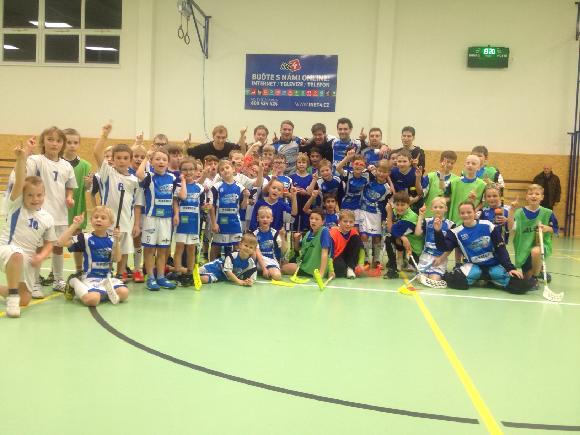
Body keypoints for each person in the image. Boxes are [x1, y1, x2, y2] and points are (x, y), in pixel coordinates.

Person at [0, 144, 56, 318]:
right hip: (7, 249)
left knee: (25, 299)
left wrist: (42, 255)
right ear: (23, 196)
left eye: (39, 195)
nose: (35, 199)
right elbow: (19, 181)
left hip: (28, 258)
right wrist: (21, 159)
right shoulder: (16, 206)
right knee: (16, 254)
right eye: (30, 195)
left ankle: (12, 294)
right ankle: (12, 299)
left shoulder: (47, 218)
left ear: (44, 195)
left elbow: (50, 243)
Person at [433, 201, 534, 294]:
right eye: (462, 213)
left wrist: (510, 268)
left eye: (469, 212)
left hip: (493, 265)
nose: (466, 215)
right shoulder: (455, 232)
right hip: (473, 267)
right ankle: (483, 279)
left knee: (518, 284)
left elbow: (501, 249)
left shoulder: (488, 225)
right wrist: (438, 232)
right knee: (456, 281)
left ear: (474, 212)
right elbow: (443, 247)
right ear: (459, 214)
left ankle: (493, 279)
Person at [26, 126, 77, 296]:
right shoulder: (36, 160)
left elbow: (69, 186)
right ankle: (34, 283)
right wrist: (27, 151)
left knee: (58, 247)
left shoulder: (66, 166)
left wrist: (69, 197)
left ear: (63, 144)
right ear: (43, 141)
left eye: (58, 140)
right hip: (39, 214)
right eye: (50, 139)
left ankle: (58, 280)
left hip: (59, 213)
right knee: (39, 248)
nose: (54, 143)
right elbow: (25, 175)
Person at [94, 123, 141, 283]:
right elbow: (96, 152)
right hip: (108, 221)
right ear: (113, 159)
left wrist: (136, 224)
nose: (122, 161)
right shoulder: (108, 173)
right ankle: (105, 274)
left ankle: (120, 274)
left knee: (125, 250)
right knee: (106, 250)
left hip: (126, 221)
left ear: (130, 160)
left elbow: (137, 204)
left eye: (125, 158)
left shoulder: (134, 180)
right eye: (118, 158)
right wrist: (104, 135)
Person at [137, 148, 186, 290]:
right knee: (149, 249)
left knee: (163, 250)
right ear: (152, 162)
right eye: (157, 159)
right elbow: (139, 173)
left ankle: (160, 277)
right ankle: (151, 278)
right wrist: (146, 158)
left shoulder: (172, 178)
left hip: (166, 219)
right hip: (151, 218)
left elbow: (178, 197)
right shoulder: (149, 176)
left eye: (164, 159)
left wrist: (176, 214)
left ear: (168, 162)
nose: (161, 162)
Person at [60, 207, 129, 306]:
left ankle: (102, 293)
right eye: (96, 217)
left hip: (107, 279)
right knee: (93, 300)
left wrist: (117, 241)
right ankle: (74, 281)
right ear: (91, 220)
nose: (99, 220)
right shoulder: (84, 237)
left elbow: (117, 259)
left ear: (110, 223)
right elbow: (61, 242)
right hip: (90, 277)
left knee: (124, 293)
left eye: (103, 218)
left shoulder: (112, 240)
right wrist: (74, 225)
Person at [511, 184, 558, 281]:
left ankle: (535, 276)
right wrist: (511, 210)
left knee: (536, 251)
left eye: (537, 194)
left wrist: (547, 228)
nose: (534, 196)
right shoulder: (519, 213)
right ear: (526, 197)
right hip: (523, 249)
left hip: (541, 246)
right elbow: (511, 227)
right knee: (526, 277)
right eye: (530, 194)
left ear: (542, 197)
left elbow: (556, 229)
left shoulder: (548, 213)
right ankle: (539, 271)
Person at [172, 158, 208, 286]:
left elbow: (202, 205)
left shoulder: (200, 188)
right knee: (179, 248)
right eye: (185, 170)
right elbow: (178, 200)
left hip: (194, 223)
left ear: (196, 171)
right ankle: (178, 271)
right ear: (180, 171)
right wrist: (176, 214)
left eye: (191, 169)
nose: (188, 172)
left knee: (191, 249)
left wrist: (206, 207)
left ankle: (189, 273)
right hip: (182, 222)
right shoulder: (178, 186)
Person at [62, 128, 92, 275]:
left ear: (79, 144)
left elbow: (87, 189)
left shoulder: (86, 165)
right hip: (59, 208)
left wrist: (88, 184)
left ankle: (79, 269)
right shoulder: (57, 163)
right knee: (56, 241)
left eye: (75, 142)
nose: (72, 145)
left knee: (77, 240)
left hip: (77, 207)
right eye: (68, 142)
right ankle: (54, 272)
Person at [210, 160, 250, 260]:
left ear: (233, 169)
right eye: (222, 169)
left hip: (235, 223)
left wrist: (246, 197)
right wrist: (214, 223)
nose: (225, 170)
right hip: (220, 222)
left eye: (227, 167)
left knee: (237, 247)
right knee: (216, 246)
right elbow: (212, 206)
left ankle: (235, 266)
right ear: (220, 174)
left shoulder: (240, 187)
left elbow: (243, 207)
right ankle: (211, 266)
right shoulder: (216, 187)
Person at [282, 208, 334, 280]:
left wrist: (321, 273)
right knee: (284, 264)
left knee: (284, 268)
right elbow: (298, 248)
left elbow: (325, 253)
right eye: (311, 218)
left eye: (317, 219)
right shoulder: (308, 233)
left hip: (314, 269)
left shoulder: (324, 231)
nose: (313, 221)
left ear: (322, 222)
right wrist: (296, 240)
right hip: (305, 264)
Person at [359, 159, 392, 272]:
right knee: (364, 236)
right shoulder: (369, 178)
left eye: (385, 172)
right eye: (380, 171)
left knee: (376, 237)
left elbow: (389, 201)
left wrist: (385, 218)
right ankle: (365, 259)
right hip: (364, 211)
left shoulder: (387, 188)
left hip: (377, 214)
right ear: (376, 170)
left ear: (388, 173)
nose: (381, 174)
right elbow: (362, 171)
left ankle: (376, 259)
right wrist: (369, 168)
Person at [414, 198, 453, 287]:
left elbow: (450, 247)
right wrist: (420, 216)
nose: (438, 209)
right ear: (431, 209)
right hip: (426, 256)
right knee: (421, 279)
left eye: (441, 207)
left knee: (434, 280)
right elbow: (417, 233)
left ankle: (441, 274)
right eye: (435, 207)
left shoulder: (450, 225)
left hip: (440, 257)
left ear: (446, 209)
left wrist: (441, 258)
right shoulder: (427, 221)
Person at [385, 191, 424, 271]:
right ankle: (396, 263)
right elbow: (392, 231)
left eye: (402, 205)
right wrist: (403, 237)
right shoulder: (396, 211)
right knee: (389, 238)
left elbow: (391, 229)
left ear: (408, 205)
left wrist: (389, 213)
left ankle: (406, 260)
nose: (399, 207)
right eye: (397, 204)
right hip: (406, 244)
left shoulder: (410, 218)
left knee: (412, 268)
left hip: (416, 249)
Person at [445, 154, 487, 225]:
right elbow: (445, 197)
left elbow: (483, 203)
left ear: (478, 168)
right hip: (454, 221)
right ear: (464, 165)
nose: (470, 165)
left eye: (473, 164)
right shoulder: (453, 182)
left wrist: (474, 210)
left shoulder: (482, 185)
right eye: (468, 163)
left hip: (471, 221)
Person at [422, 151, 458, 218]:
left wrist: (445, 199)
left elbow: (454, 197)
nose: (449, 164)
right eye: (447, 162)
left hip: (445, 217)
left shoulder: (456, 179)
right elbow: (422, 194)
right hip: (429, 215)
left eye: (452, 163)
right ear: (441, 161)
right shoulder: (430, 176)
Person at [329, 210, 364, 279]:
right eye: (345, 221)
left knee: (356, 239)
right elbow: (329, 253)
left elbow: (361, 249)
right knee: (340, 269)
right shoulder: (333, 232)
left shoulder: (354, 232)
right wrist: (331, 270)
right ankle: (348, 269)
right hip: (336, 256)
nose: (348, 224)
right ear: (339, 222)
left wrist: (361, 264)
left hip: (349, 257)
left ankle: (350, 268)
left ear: (354, 223)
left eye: (351, 222)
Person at [253, 206, 284, 281]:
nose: (265, 219)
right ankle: (256, 270)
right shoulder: (254, 234)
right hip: (258, 261)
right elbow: (257, 253)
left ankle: (265, 271)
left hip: (270, 261)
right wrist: (264, 268)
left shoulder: (275, 233)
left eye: (267, 217)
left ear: (271, 219)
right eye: (262, 217)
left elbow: (283, 251)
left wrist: (283, 237)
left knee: (277, 276)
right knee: (253, 251)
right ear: (257, 218)